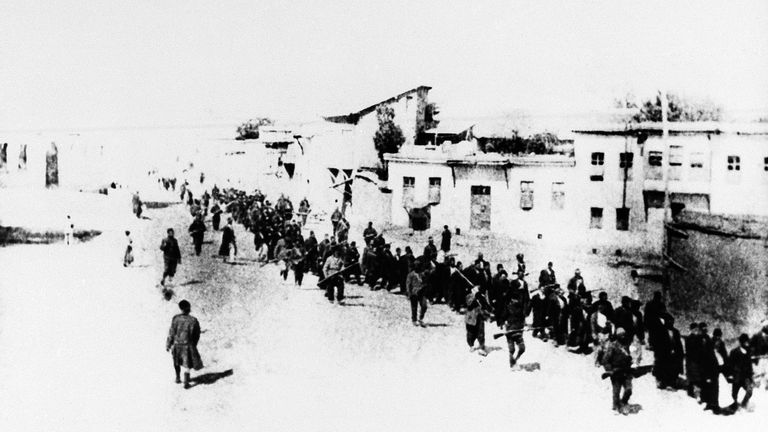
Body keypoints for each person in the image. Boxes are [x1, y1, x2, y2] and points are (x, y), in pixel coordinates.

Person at [166, 300, 203, 389]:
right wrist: (194, 343)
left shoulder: (175, 318)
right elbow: (197, 334)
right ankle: (186, 381)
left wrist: (168, 344)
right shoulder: (193, 320)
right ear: (189, 308)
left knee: (176, 361)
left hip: (177, 344)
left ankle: (178, 377)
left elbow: (171, 332)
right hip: (188, 344)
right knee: (188, 363)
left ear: (180, 308)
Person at [602, 328, 634, 415]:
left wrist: (631, 361)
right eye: (621, 335)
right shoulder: (612, 346)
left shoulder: (627, 344)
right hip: (616, 371)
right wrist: (610, 370)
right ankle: (616, 405)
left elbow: (631, 355)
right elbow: (605, 360)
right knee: (616, 391)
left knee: (629, 389)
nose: (623, 336)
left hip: (626, 371)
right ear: (618, 336)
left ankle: (623, 402)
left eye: (624, 334)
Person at [501, 275, 529, 370]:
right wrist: (504, 324)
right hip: (510, 328)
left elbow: (523, 315)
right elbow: (503, 315)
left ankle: (515, 360)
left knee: (522, 348)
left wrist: (524, 325)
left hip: (518, 328)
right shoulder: (507, 303)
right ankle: (512, 363)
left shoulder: (521, 304)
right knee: (512, 349)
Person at [653, 312, 684, 389]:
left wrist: (680, 353)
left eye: (672, 321)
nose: (671, 323)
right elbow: (657, 343)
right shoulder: (660, 331)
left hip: (674, 353)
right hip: (664, 353)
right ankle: (662, 381)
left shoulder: (676, 332)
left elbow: (678, 343)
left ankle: (671, 382)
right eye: (669, 321)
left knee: (673, 368)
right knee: (663, 367)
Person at [727, 334, 754, 410]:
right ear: (742, 342)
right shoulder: (734, 352)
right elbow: (730, 364)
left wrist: (751, 376)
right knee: (734, 394)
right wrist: (730, 374)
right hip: (737, 377)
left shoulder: (748, 352)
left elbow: (749, 365)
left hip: (746, 377)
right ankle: (734, 406)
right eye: (745, 342)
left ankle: (743, 405)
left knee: (749, 391)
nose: (747, 343)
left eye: (747, 342)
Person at [465, 286, 491, 356]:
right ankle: (471, 345)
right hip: (471, 317)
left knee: (481, 332)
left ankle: (481, 347)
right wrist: (474, 297)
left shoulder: (481, 297)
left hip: (480, 317)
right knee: (471, 333)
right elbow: (469, 304)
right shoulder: (469, 296)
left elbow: (486, 305)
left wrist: (481, 298)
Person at [406, 260, 428, 327]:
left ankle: (420, 318)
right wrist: (409, 293)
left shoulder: (422, 274)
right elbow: (408, 284)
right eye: (416, 266)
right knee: (414, 307)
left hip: (421, 292)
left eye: (419, 265)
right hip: (414, 293)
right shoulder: (411, 275)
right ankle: (414, 320)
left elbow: (425, 281)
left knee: (424, 306)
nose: (418, 267)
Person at [749, 320, 768, 390]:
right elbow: (750, 345)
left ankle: (766, 386)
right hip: (759, 358)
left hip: (767, 358)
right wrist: (752, 354)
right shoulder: (757, 335)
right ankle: (760, 386)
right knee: (760, 373)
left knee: (767, 374)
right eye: (766, 326)